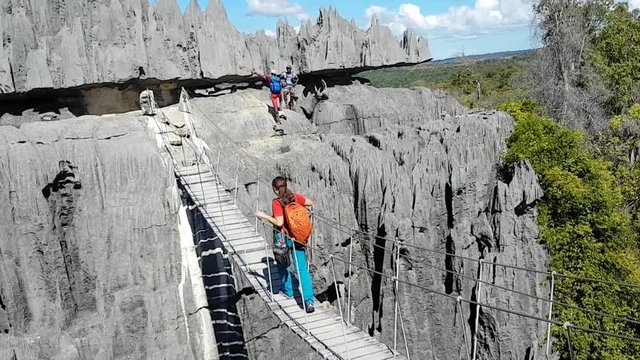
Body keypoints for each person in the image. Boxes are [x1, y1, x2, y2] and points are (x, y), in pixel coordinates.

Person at [255, 176, 316, 313]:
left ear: (276, 190)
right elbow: (310, 203)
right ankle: (309, 301)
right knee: (302, 270)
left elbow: (279, 222)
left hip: (283, 238)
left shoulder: (277, 202)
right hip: (298, 238)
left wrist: (263, 215)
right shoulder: (294, 197)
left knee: (282, 264)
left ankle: (288, 291)